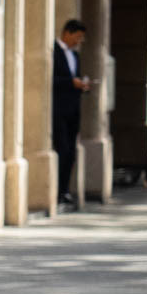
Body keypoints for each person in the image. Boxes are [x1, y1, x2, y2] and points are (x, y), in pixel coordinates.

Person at [52, 19, 93, 209]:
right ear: (67, 33)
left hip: (73, 111)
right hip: (58, 110)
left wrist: (83, 86)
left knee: (70, 153)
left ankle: (65, 190)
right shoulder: (54, 51)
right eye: (77, 37)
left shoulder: (75, 56)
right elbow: (52, 79)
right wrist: (71, 83)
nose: (79, 41)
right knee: (62, 150)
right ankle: (58, 191)